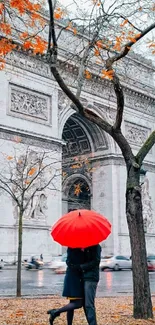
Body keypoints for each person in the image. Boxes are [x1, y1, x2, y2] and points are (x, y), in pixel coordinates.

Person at [47, 248, 85, 325]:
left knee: (71, 303)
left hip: (72, 277)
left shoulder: (71, 248)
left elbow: (69, 262)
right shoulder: (76, 250)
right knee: (78, 303)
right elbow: (74, 263)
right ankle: (56, 312)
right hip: (75, 279)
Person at [68, 245, 101, 325]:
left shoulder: (96, 247)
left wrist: (81, 266)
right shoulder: (86, 248)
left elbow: (96, 261)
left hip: (91, 278)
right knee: (85, 304)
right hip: (84, 277)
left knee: (89, 304)